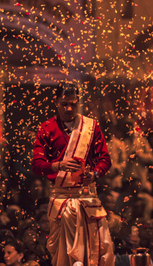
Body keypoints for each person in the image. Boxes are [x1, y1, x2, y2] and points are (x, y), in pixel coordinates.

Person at [31, 81, 114, 266]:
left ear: (78, 102)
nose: (69, 108)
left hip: (87, 199)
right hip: (61, 202)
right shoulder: (46, 128)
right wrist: (58, 165)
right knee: (65, 257)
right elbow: (36, 165)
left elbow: (105, 159)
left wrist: (95, 175)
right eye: (64, 104)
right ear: (55, 102)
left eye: (73, 104)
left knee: (96, 253)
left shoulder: (91, 126)